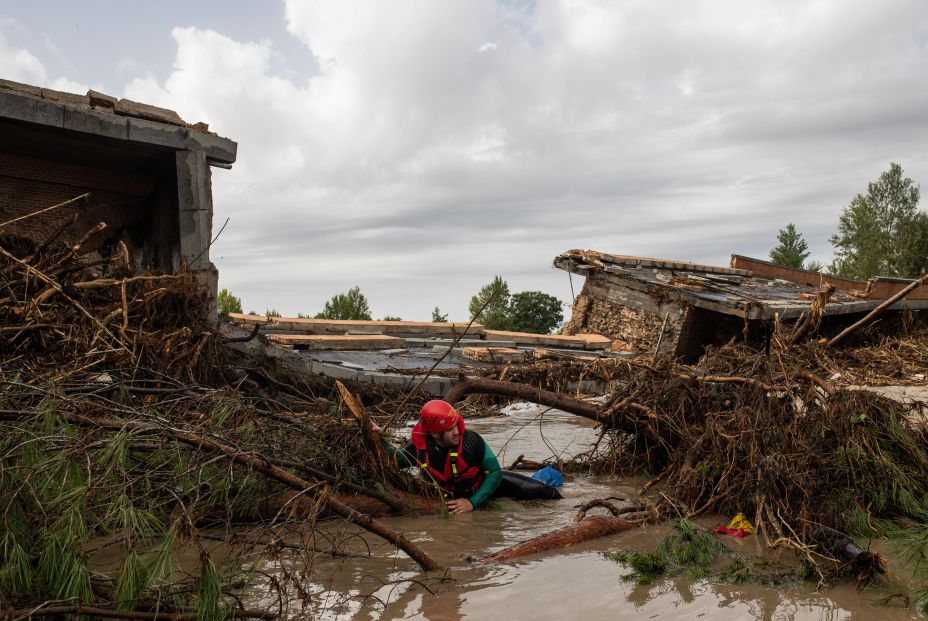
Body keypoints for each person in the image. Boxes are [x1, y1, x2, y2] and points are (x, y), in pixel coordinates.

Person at [374, 399, 502, 514]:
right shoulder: (419, 450)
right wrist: (380, 437)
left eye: (456, 425)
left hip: (477, 498)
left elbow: (494, 472)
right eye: (450, 429)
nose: (457, 432)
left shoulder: (471, 442)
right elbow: (393, 460)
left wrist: (472, 503)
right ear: (435, 434)